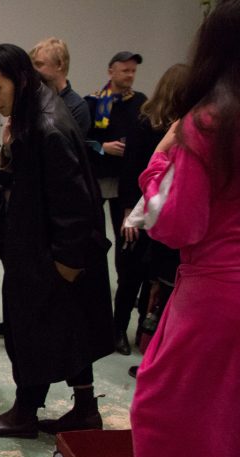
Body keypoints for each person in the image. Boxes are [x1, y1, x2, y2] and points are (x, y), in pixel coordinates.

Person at [117, 0, 240, 457]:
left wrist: (161, 158)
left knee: (166, 421)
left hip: (215, 295)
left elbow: (175, 223)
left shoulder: (210, 122)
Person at [0, 44, 113, 438]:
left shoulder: (47, 126)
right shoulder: (36, 111)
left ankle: (25, 412)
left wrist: (64, 265)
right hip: (42, 247)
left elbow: (74, 202)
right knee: (68, 330)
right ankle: (84, 409)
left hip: (49, 254)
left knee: (31, 331)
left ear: (19, 80)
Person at [116, 64, 188, 368]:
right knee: (130, 274)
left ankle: (144, 332)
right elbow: (131, 169)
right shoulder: (145, 122)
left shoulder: (183, 126)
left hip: (161, 212)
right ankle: (118, 329)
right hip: (140, 207)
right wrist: (128, 213)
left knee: (153, 277)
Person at [85, 50, 148, 355]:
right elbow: (82, 140)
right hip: (98, 180)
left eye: (133, 71)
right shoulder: (97, 102)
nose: (130, 76)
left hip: (127, 185)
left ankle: (120, 314)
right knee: (89, 240)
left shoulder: (140, 103)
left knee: (127, 249)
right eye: (125, 71)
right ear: (111, 71)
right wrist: (103, 148)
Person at [30, 38, 91, 134]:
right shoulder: (33, 100)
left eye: (39, 64)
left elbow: (72, 143)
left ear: (59, 65)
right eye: (32, 65)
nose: (34, 70)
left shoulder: (77, 107)